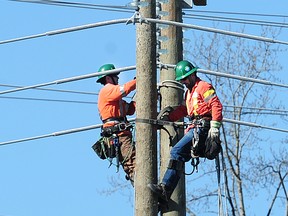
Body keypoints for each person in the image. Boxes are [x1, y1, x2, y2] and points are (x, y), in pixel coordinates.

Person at [148, 60, 223, 205]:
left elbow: (216, 105)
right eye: (182, 80)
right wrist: (168, 118)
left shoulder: (203, 86)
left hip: (203, 126)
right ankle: (165, 193)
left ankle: (165, 189)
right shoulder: (189, 93)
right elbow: (184, 110)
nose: (184, 82)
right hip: (195, 127)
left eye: (185, 78)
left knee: (176, 151)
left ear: (193, 74)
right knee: (179, 154)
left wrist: (215, 126)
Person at [96, 63, 136, 186]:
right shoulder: (107, 90)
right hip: (119, 134)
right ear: (108, 78)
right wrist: (140, 79)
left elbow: (130, 110)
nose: (118, 79)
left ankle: (142, 186)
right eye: (116, 76)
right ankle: (144, 188)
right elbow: (123, 90)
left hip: (121, 133)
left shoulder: (115, 100)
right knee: (134, 163)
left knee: (132, 163)